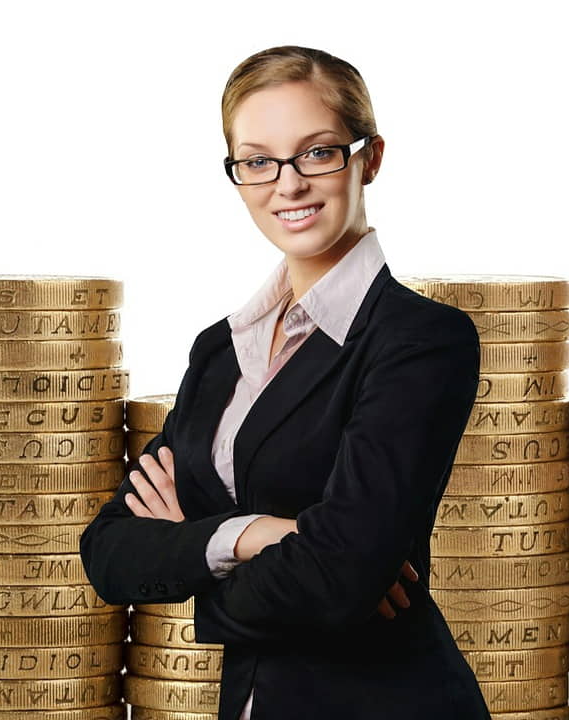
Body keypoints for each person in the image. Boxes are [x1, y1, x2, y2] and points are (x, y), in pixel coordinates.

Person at [80, 44, 488, 720]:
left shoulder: (420, 341)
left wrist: (193, 560)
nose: (287, 184)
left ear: (370, 158)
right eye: (258, 161)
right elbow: (110, 551)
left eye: (318, 152)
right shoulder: (219, 351)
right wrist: (252, 534)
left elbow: (340, 580)